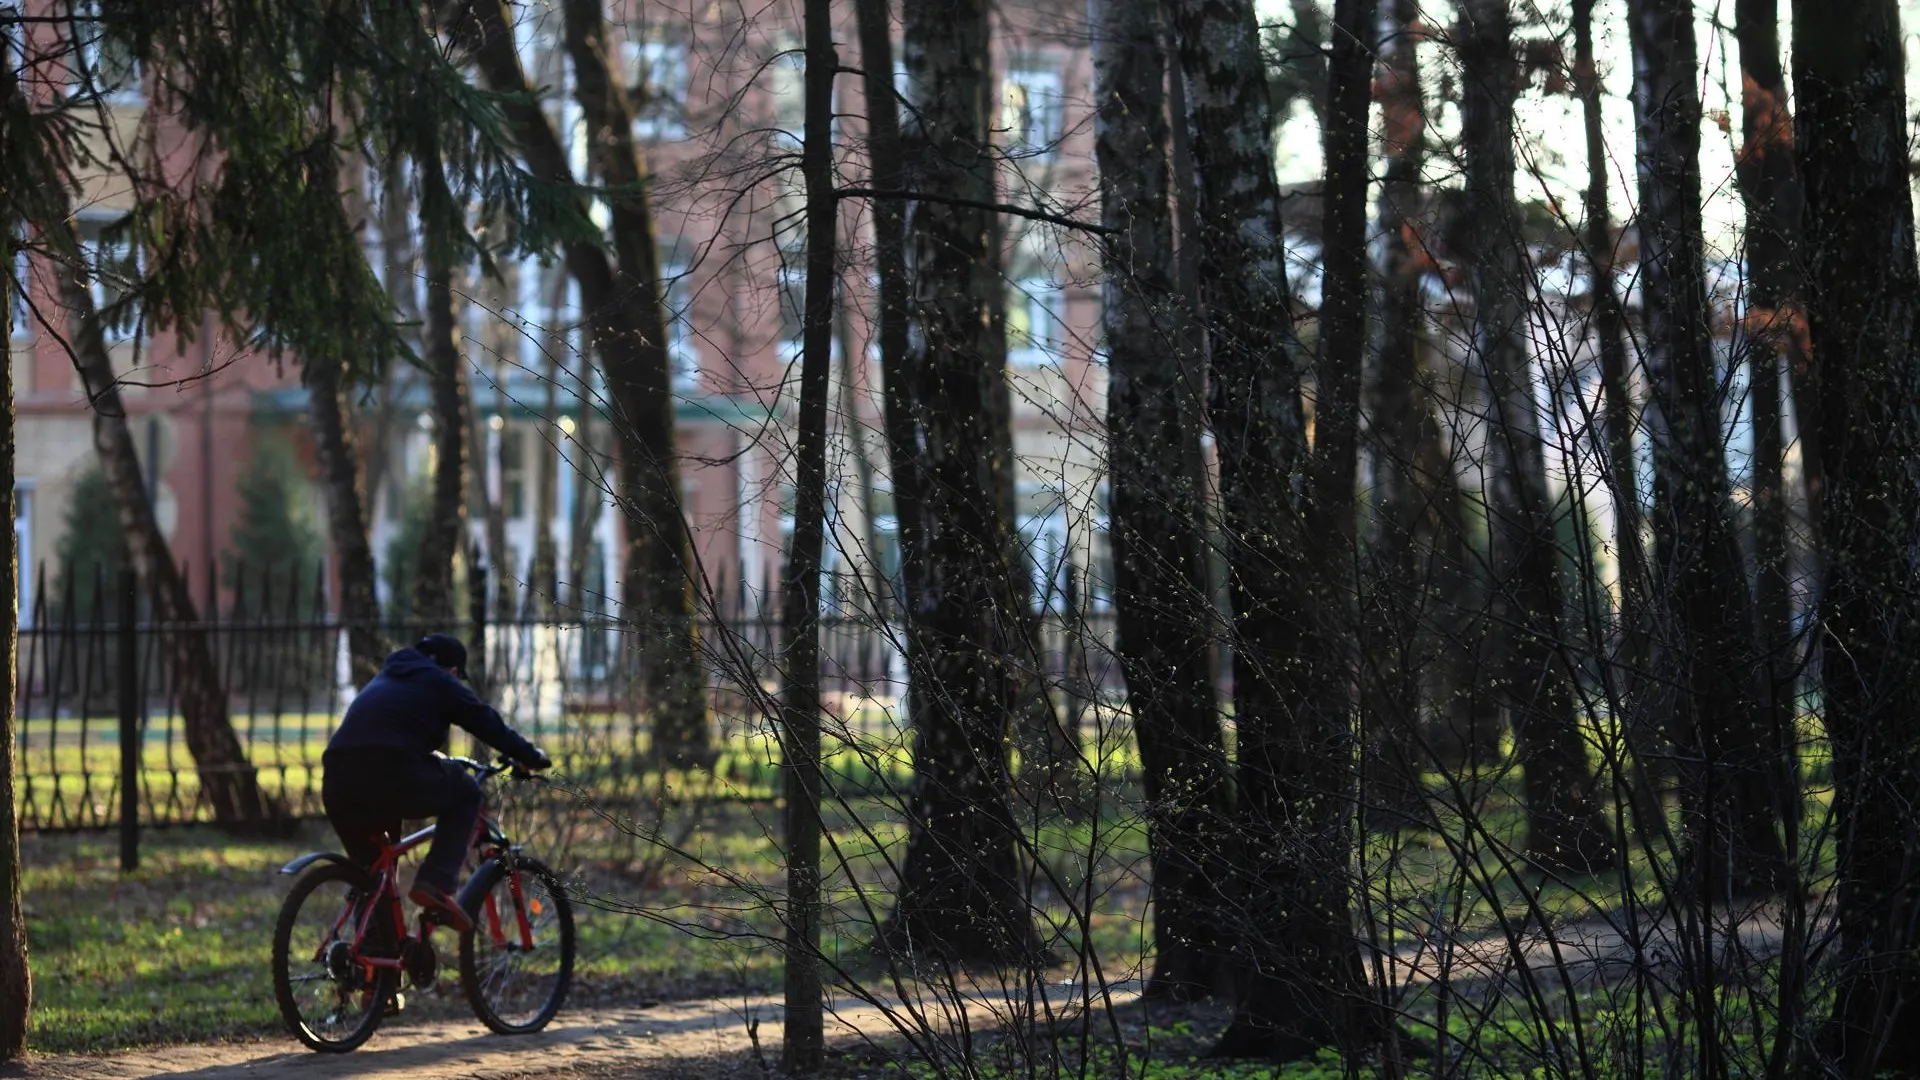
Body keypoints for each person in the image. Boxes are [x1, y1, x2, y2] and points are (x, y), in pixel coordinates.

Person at [322, 634, 550, 934]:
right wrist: (529, 756)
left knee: (373, 870)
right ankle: (435, 882)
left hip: (338, 779)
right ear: (453, 671)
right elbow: (485, 721)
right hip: (390, 771)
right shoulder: (440, 682)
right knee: (467, 793)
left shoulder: (388, 677)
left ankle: (373, 965)